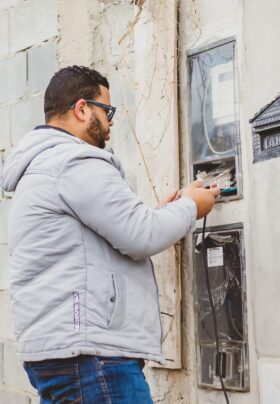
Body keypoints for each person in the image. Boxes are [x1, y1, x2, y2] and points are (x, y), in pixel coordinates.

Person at [1, 66, 220, 403]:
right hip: (91, 355)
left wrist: (164, 214)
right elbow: (141, 235)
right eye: (108, 110)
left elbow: (113, 233)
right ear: (82, 108)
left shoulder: (45, 164)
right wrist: (192, 206)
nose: (111, 121)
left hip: (64, 350)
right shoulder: (73, 161)